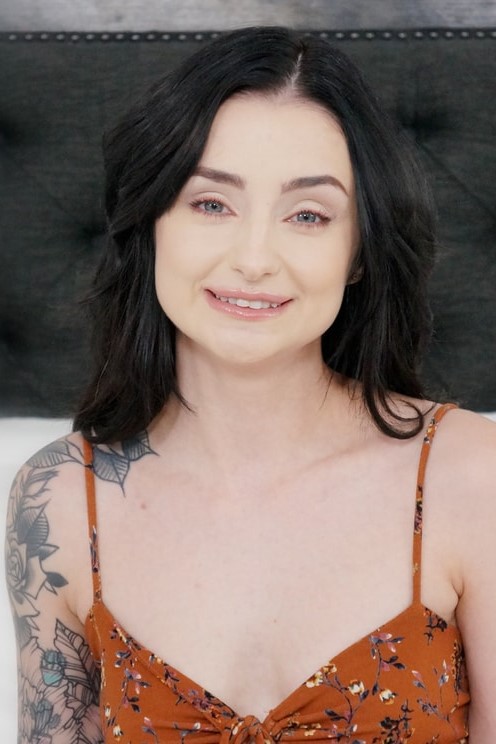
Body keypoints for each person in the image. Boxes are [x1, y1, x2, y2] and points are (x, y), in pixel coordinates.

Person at [5, 25, 496, 743]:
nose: (255, 258)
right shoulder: (57, 500)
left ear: (359, 252)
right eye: (212, 204)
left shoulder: (468, 477)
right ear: (152, 222)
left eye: (308, 215)